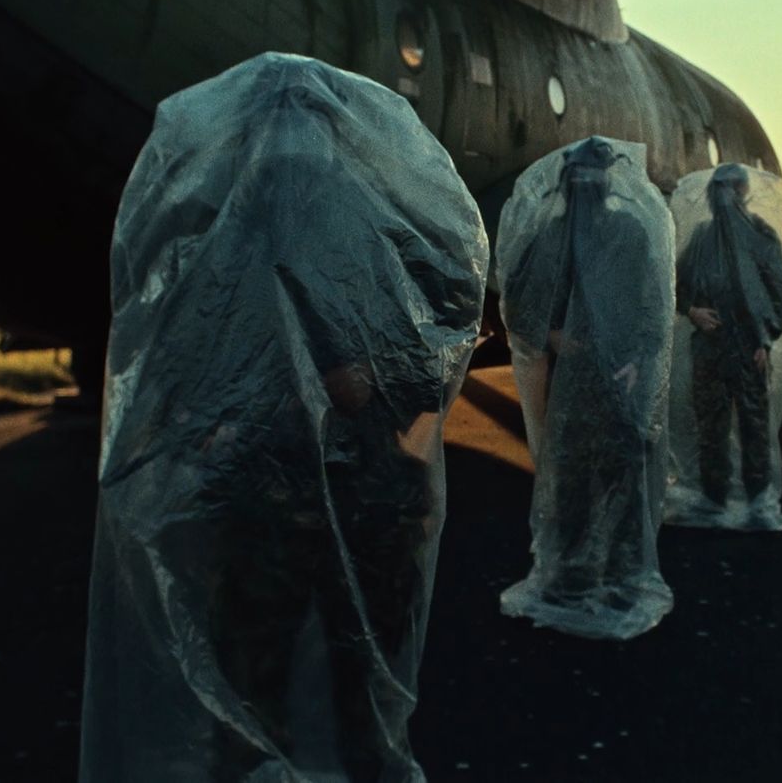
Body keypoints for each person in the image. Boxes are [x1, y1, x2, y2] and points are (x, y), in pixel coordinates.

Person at [80, 53, 488, 783]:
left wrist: (200, 422)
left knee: (269, 664)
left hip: (288, 481)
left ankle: (286, 760)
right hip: (313, 482)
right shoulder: (364, 204)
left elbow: (166, 325)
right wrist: (389, 382)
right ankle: (330, 761)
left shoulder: (223, 206)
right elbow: (451, 302)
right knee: (332, 659)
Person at [496, 136, 675, 640]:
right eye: (578, 180)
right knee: (570, 479)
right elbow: (521, 302)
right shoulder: (552, 238)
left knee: (621, 476)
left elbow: (651, 307)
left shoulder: (629, 233)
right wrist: (554, 336)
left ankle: (619, 577)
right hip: (570, 386)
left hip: (618, 380)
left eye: (592, 178)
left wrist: (638, 361)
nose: (585, 188)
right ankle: (570, 575)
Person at [675, 165, 782, 516]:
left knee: (754, 424)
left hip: (748, 346)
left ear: (743, 193)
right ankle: (714, 495)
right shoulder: (702, 238)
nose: (726, 196)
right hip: (710, 346)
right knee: (710, 424)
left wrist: (764, 339)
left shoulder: (760, 234)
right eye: (720, 189)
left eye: (732, 189)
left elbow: (776, 293)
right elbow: (677, 285)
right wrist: (693, 311)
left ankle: (757, 496)